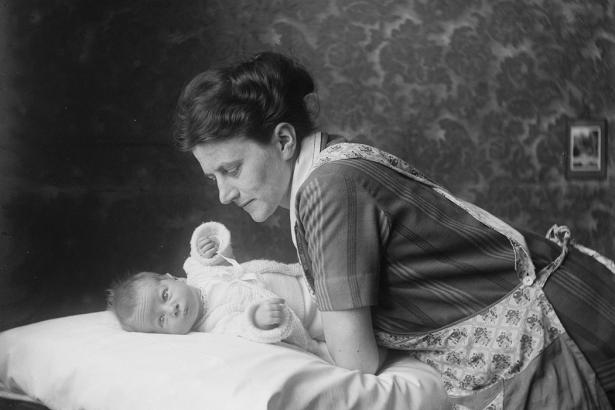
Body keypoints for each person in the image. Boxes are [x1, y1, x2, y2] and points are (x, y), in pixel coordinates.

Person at [172, 51, 615, 409]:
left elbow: (356, 361)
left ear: (284, 141)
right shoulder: (332, 165)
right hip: (566, 311)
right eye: (214, 178)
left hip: (565, 332)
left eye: (232, 169)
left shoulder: (328, 188)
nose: (224, 195)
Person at [107, 222, 330, 362]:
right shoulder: (212, 325)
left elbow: (212, 257)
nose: (171, 308)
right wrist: (257, 319)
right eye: (161, 319)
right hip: (316, 317)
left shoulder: (198, 273)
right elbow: (242, 328)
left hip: (305, 278)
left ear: (171, 278)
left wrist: (208, 248)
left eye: (165, 296)